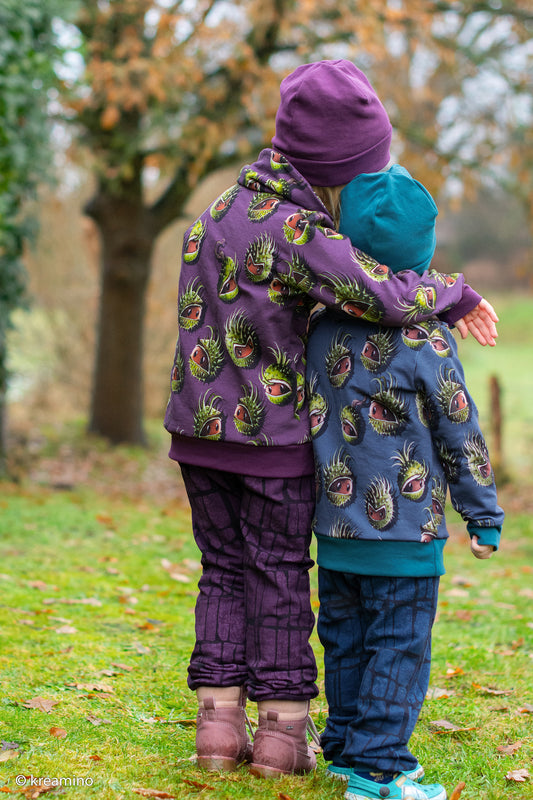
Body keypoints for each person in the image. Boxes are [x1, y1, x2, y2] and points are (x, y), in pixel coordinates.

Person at [163, 59, 499, 778]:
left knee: (221, 572)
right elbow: (377, 292)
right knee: (280, 574)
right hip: (272, 440)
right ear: (332, 165)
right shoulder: (295, 230)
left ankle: (216, 730)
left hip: (195, 434)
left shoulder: (215, 215)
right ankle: (281, 736)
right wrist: (455, 292)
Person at [306, 165, 504, 800]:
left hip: (335, 528)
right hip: (405, 533)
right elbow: (459, 431)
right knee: (398, 648)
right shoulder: (426, 338)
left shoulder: (319, 326)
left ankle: (343, 747)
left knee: (345, 640)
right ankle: (377, 770)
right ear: (423, 253)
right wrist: (483, 514)